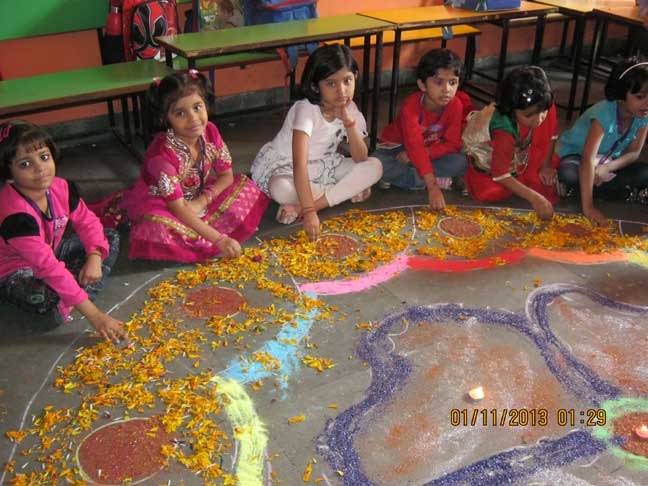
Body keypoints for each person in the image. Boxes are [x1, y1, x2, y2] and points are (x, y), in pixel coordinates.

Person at [92, 70, 269, 261]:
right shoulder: (162, 156)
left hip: (200, 196)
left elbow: (226, 176)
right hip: (164, 204)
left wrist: (202, 201)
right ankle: (209, 234)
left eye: (197, 107)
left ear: (206, 105)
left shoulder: (210, 131)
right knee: (158, 227)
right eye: (180, 113)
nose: (193, 119)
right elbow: (177, 207)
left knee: (248, 187)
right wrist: (219, 239)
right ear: (165, 118)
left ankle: (202, 233)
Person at [0, 121, 125, 343]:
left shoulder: (62, 187)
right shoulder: (16, 216)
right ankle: (74, 296)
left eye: (44, 157)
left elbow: (88, 222)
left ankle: (72, 297)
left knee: (109, 237)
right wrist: (96, 317)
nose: (39, 168)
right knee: (42, 297)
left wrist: (94, 257)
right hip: (14, 269)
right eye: (25, 164)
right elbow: (47, 267)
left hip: (49, 254)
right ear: (8, 174)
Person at [250, 44, 382, 242]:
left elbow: (361, 157)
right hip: (288, 168)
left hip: (324, 167)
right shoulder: (306, 110)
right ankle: (339, 192)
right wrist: (310, 213)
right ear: (315, 86)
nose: (342, 91)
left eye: (347, 80)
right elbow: (299, 165)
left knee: (375, 166)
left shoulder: (350, 108)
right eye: (331, 84)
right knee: (281, 188)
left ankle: (306, 205)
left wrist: (348, 121)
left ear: (355, 77)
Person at [373, 48, 470, 210]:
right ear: (422, 85)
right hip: (397, 149)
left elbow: (453, 144)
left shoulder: (456, 105)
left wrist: (426, 153)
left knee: (461, 162)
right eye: (438, 82)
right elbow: (414, 146)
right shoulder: (411, 107)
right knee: (377, 162)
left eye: (452, 82)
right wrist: (433, 187)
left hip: (425, 151)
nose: (447, 89)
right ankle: (430, 179)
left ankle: (416, 178)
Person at [557, 58, 648, 226]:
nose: (647, 103)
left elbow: (634, 152)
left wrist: (608, 167)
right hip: (578, 158)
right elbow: (587, 160)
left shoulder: (644, 115)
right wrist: (588, 207)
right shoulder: (602, 115)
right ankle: (603, 191)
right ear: (620, 95)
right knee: (568, 172)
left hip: (608, 163)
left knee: (645, 172)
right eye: (640, 96)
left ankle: (586, 189)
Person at [462, 65, 559, 220]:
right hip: (486, 158)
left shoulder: (543, 103)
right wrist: (535, 198)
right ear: (512, 110)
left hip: (517, 156)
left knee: (542, 185)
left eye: (543, 112)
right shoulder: (504, 129)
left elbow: (552, 134)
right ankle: (465, 175)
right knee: (492, 193)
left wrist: (546, 165)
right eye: (529, 115)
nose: (539, 119)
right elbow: (500, 174)